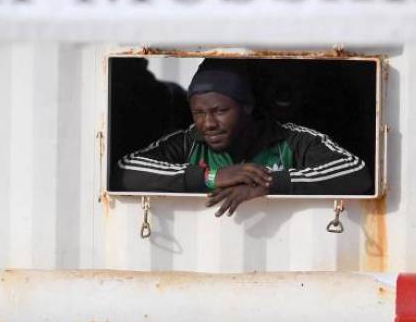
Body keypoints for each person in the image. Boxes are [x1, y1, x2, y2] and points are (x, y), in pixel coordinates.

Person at [117, 60, 372, 216]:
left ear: (247, 107)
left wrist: (269, 183)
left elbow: (356, 173)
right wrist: (211, 177)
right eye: (199, 113)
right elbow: (126, 171)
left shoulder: (290, 139)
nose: (208, 123)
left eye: (220, 111)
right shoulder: (187, 142)